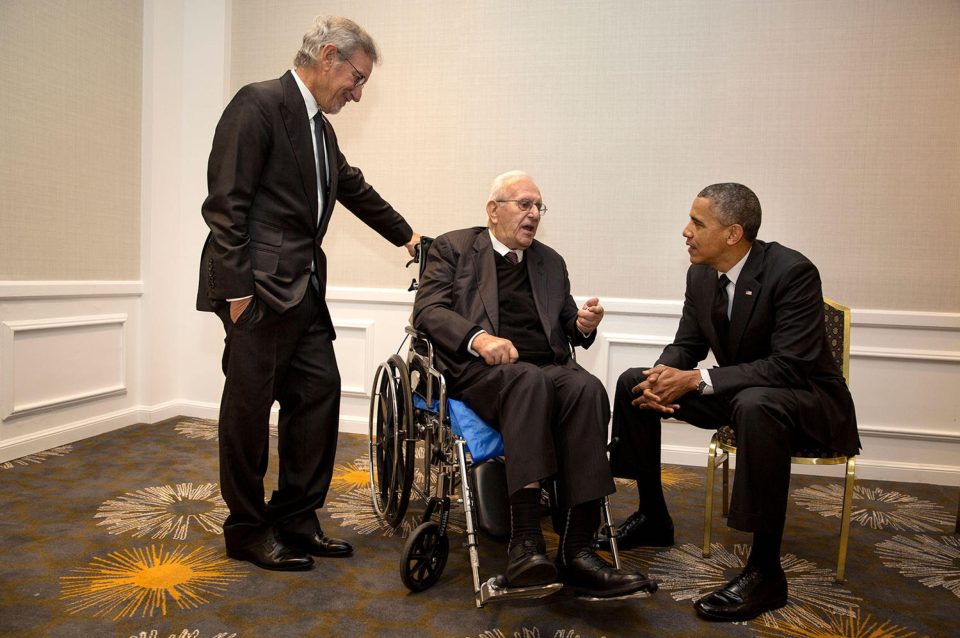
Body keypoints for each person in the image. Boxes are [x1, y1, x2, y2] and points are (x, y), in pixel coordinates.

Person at [197, 16, 420, 571]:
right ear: (329, 56)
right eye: (357, 77)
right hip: (260, 290)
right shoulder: (258, 103)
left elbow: (351, 187)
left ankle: (295, 517)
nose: (359, 92)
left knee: (318, 396)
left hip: (303, 291)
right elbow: (225, 206)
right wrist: (238, 294)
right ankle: (246, 530)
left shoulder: (320, 127)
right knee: (248, 415)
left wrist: (410, 237)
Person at [606, 183, 860, 620]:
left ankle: (766, 571)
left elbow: (789, 367)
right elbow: (687, 343)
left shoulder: (792, 272)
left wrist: (697, 379)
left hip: (805, 401)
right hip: (741, 393)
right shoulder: (700, 274)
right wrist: (662, 376)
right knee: (635, 382)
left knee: (756, 405)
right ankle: (652, 516)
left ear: (733, 233)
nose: (685, 231)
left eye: (697, 222)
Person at [412, 171, 656, 599]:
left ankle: (578, 550)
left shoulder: (550, 262)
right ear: (493, 210)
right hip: (481, 372)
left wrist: (582, 324)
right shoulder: (454, 248)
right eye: (524, 204)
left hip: (544, 369)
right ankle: (525, 544)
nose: (534, 214)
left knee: (588, 388)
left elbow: (566, 324)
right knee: (528, 380)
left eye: (539, 206)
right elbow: (429, 311)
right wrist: (479, 338)